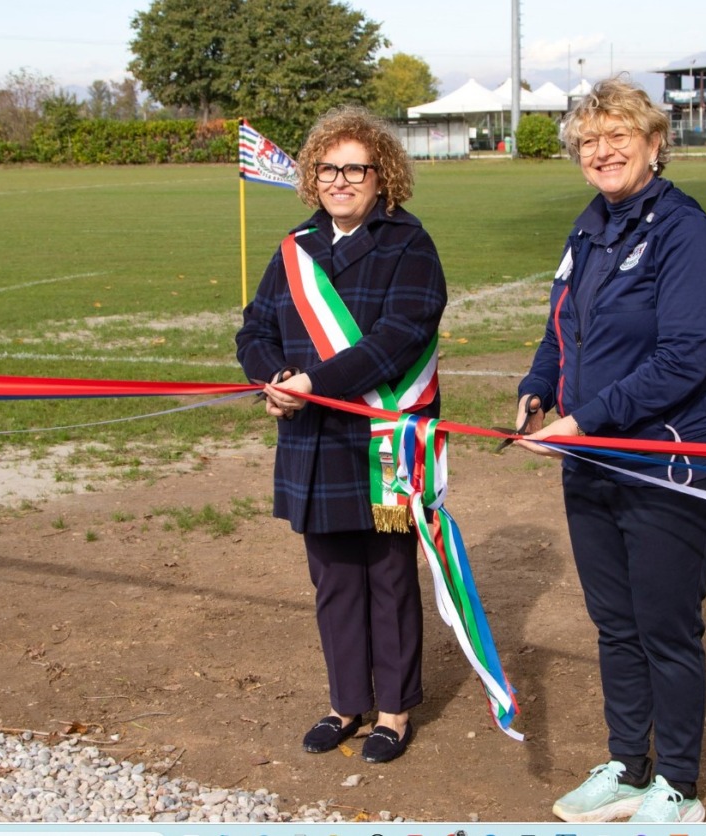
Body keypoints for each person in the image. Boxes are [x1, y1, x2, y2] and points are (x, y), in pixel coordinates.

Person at [510, 76, 706, 823]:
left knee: (665, 625)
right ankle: (628, 765)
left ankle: (677, 784)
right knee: (614, 620)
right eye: (589, 141)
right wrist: (539, 387)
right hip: (595, 456)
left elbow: (682, 358)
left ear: (653, 143)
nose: (602, 151)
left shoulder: (686, 232)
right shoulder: (590, 227)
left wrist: (586, 421)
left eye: (617, 136)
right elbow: (561, 328)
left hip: (672, 458)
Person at [235, 105, 446, 765]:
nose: (342, 180)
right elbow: (254, 330)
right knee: (332, 579)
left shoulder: (410, 245)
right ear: (312, 177)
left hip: (383, 439)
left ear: (381, 176)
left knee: (388, 577)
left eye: (356, 169)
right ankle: (345, 701)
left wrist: (312, 383)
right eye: (329, 168)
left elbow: (399, 339)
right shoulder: (295, 249)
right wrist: (272, 379)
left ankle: (393, 711)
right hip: (313, 439)